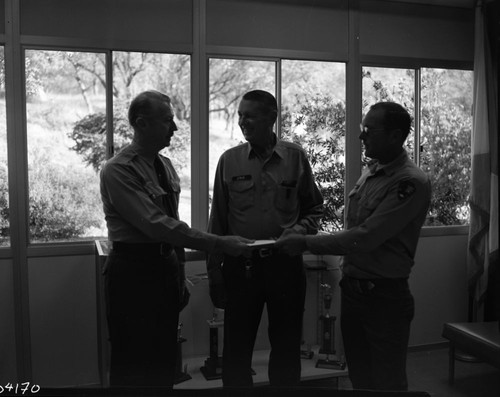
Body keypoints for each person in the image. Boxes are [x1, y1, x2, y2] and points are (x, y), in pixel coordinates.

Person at [100, 90, 252, 388]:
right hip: (132, 272)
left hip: (165, 267)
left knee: (163, 360)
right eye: (167, 120)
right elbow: (159, 226)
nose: (175, 127)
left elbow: (172, 227)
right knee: (131, 361)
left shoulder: (164, 165)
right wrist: (219, 243)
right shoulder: (118, 170)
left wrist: (180, 274)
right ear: (142, 124)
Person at [275, 102, 432, 391]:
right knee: (360, 377)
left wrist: (305, 242)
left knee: (387, 382)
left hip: (384, 298)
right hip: (354, 293)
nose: (362, 136)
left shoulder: (409, 182)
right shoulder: (372, 173)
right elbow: (354, 230)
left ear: (396, 136)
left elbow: (365, 236)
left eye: (369, 130)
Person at [207, 90, 323, 387]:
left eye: (249, 115)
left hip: (285, 266)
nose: (242, 121)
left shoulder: (295, 158)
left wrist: (299, 230)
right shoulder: (229, 160)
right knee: (236, 350)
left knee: (286, 349)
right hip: (241, 268)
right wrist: (214, 273)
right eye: (240, 115)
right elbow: (217, 222)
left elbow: (314, 208)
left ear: (271, 118)